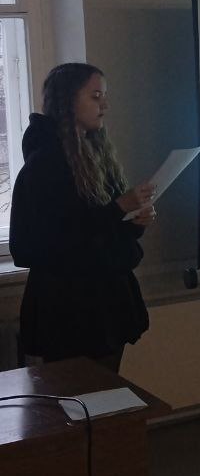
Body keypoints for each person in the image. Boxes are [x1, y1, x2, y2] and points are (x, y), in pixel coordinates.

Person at [10, 63, 156, 372]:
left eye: (104, 96)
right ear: (67, 101)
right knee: (76, 395)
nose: (105, 105)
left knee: (105, 392)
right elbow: (45, 242)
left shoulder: (93, 154)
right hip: (68, 311)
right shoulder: (44, 165)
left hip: (105, 305)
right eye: (95, 96)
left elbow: (102, 231)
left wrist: (133, 222)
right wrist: (118, 209)